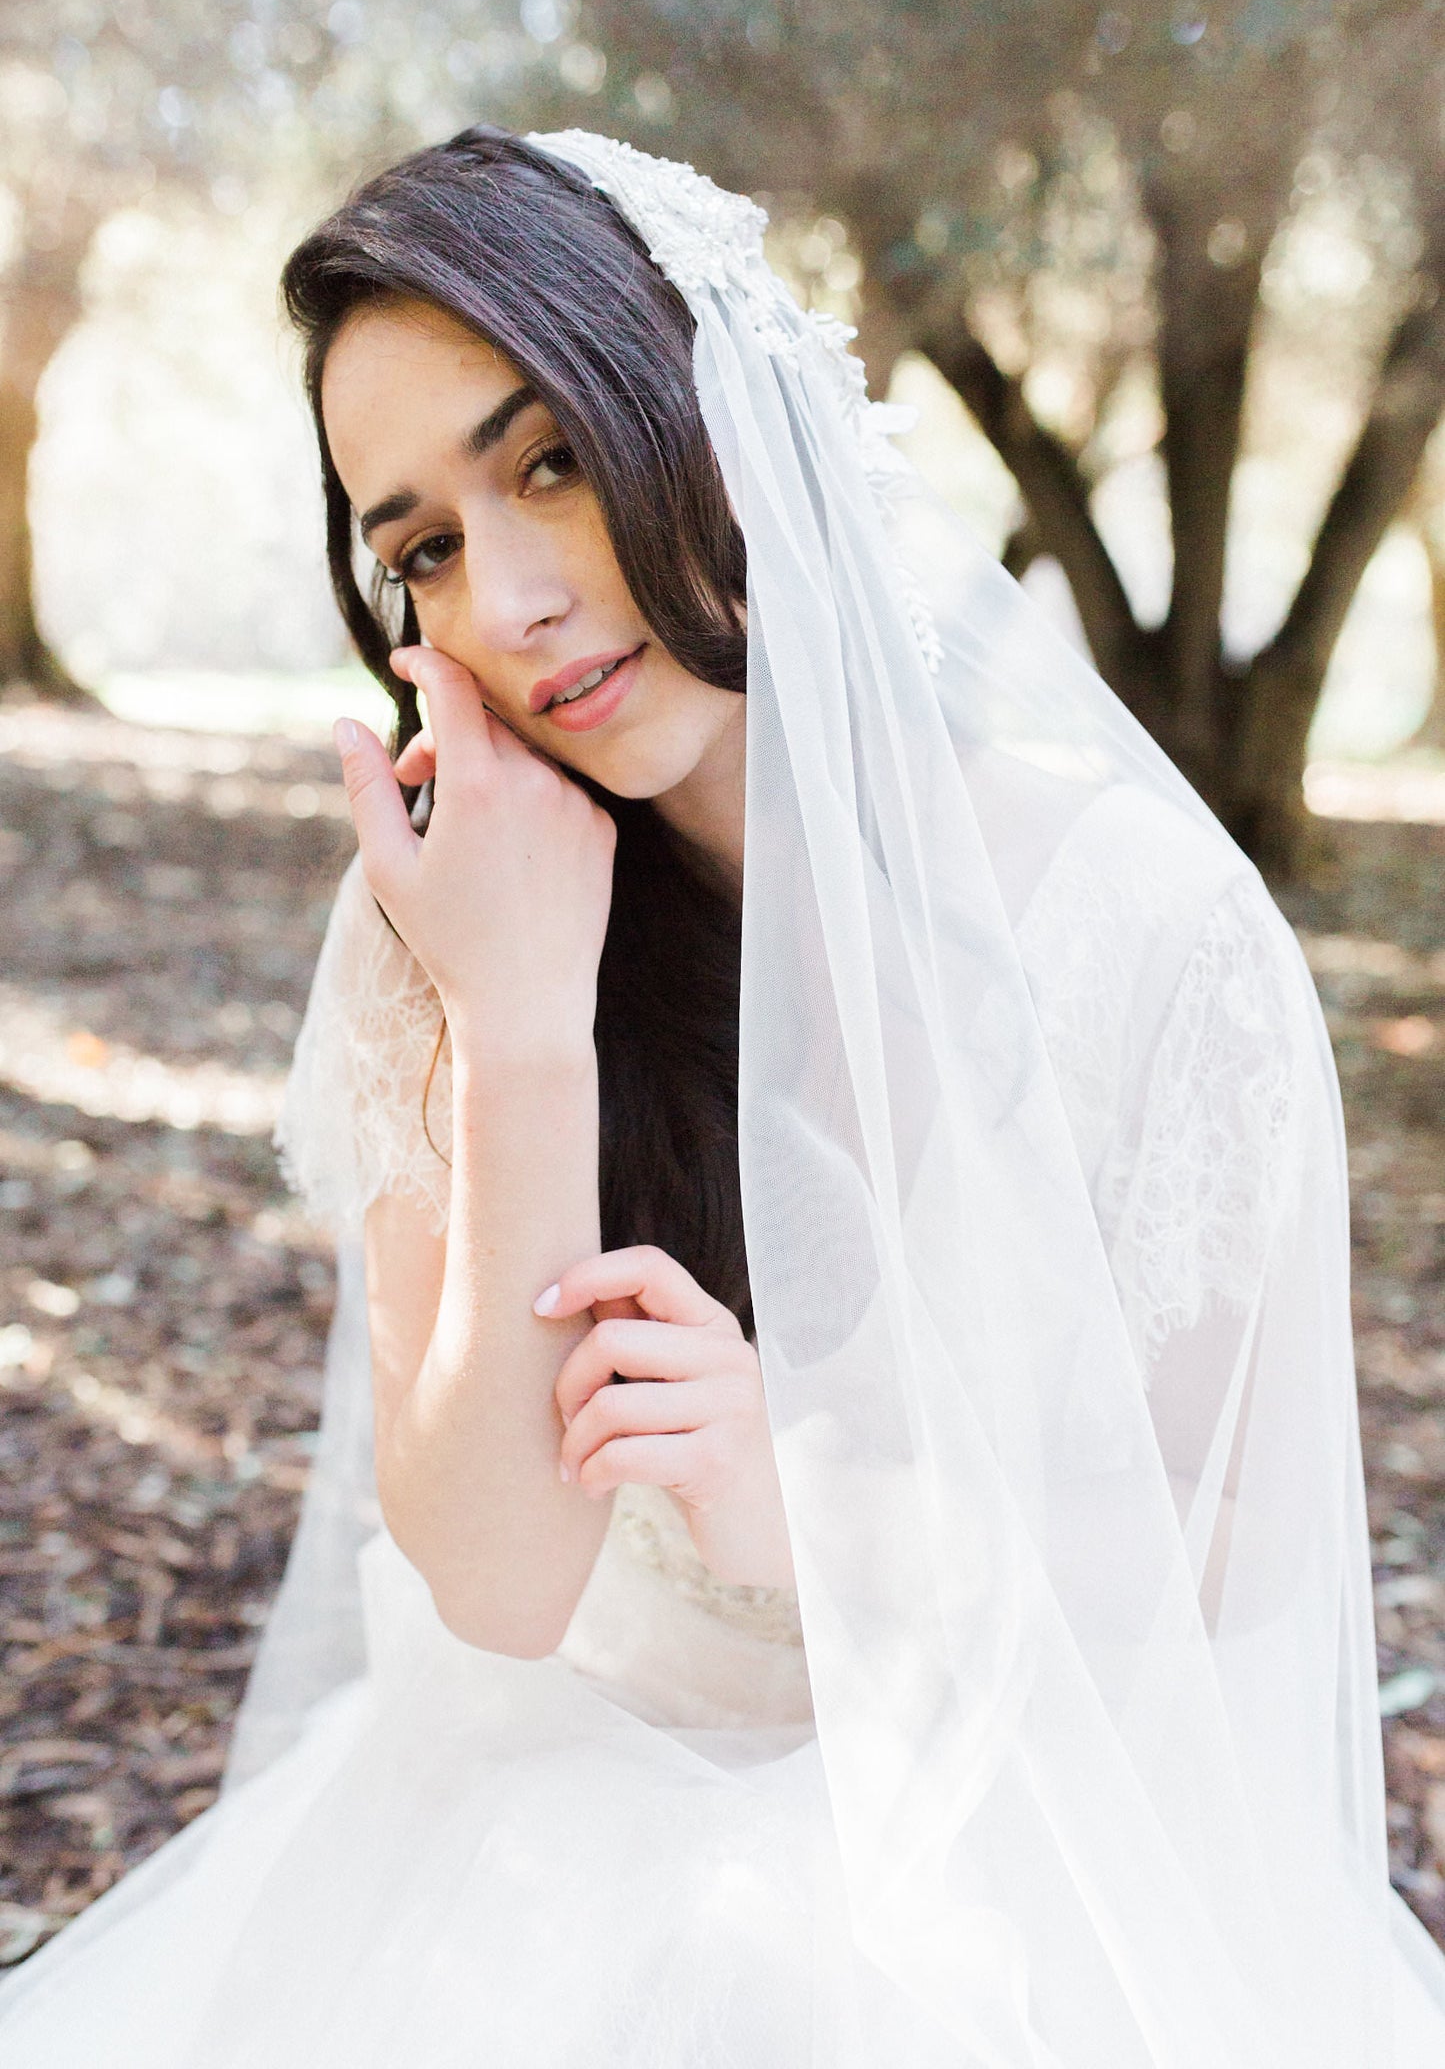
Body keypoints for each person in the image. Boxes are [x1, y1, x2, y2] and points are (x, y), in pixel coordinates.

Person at [2, 123, 1444, 2067]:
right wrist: (519, 1017)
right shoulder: (447, 913)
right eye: (420, 541)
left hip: (1029, 1851)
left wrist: (825, 1495)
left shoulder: (1149, 935)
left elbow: (1210, 1623)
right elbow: (506, 1587)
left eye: (553, 461)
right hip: (537, 1831)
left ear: (709, 410)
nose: (502, 596)